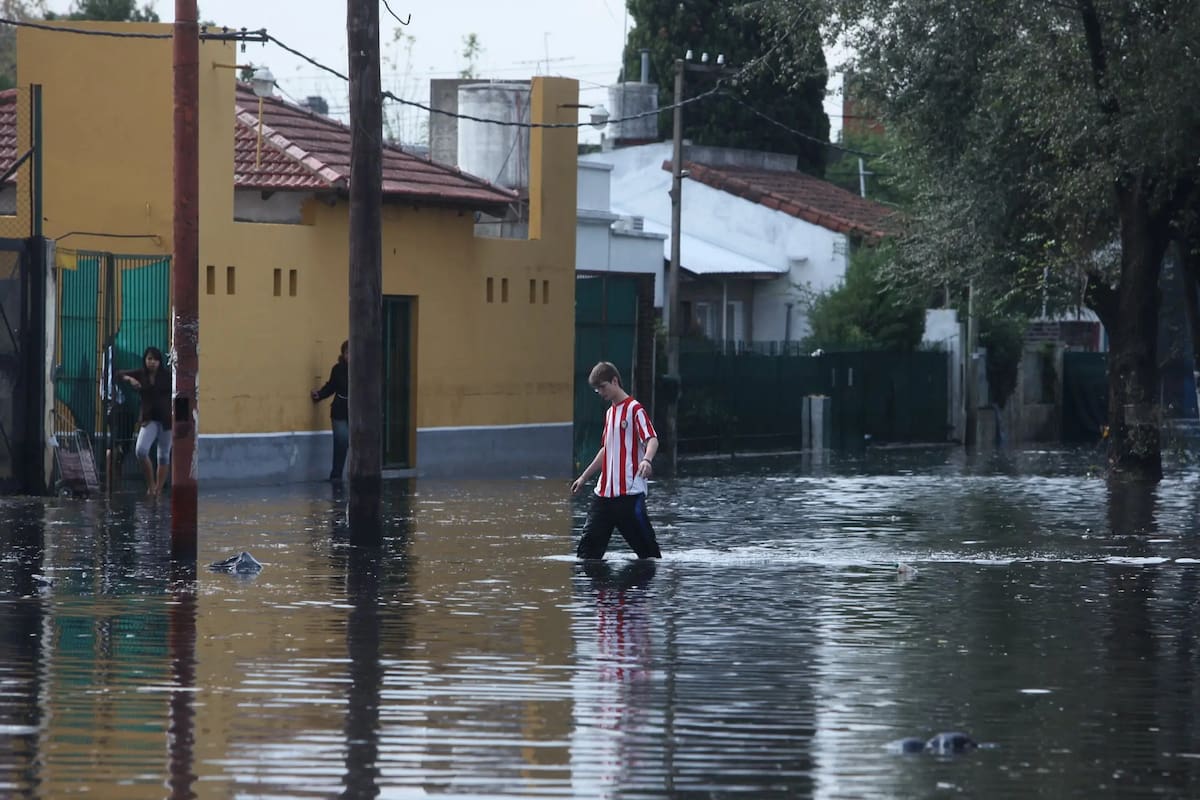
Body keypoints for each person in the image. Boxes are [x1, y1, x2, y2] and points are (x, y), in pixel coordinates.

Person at [571, 361, 663, 560]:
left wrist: (646, 460)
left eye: (602, 387)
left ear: (615, 381)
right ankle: (598, 591)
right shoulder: (610, 413)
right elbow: (606, 450)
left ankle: (642, 590)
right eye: (597, 389)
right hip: (603, 496)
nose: (600, 392)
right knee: (586, 556)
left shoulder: (634, 409)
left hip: (628, 495)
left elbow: (652, 439)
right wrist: (584, 477)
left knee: (649, 557)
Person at [119, 345, 172, 496]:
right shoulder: (141, 374)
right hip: (149, 419)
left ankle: (158, 490)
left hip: (166, 420)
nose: (152, 362)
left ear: (160, 361)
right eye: (149, 359)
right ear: (145, 360)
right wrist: (129, 379)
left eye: (155, 359)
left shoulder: (167, 376)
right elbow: (119, 374)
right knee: (141, 450)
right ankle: (151, 485)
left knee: (163, 455)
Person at [312, 340, 349, 482]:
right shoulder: (338, 369)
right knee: (342, 440)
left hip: (357, 412)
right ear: (343, 354)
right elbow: (331, 386)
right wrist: (319, 395)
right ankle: (336, 475)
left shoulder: (363, 368)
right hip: (340, 410)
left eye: (352, 353)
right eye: (347, 353)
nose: (350, 356)